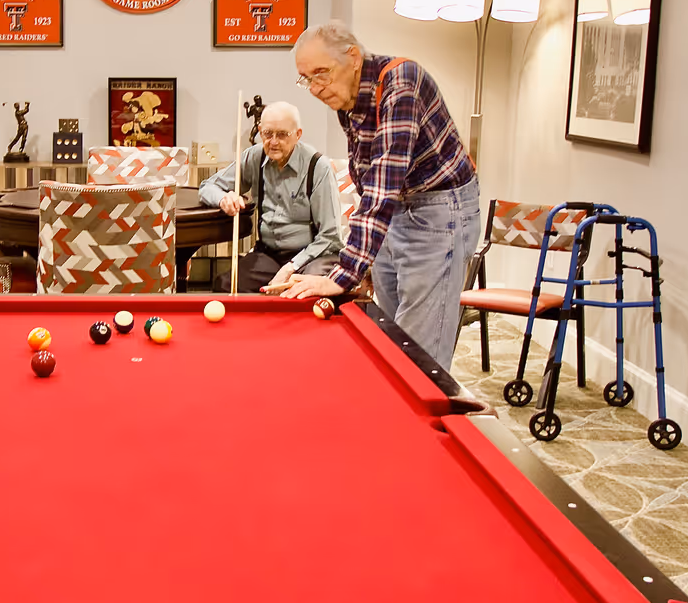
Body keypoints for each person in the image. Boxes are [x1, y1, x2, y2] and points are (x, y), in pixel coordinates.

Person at [275, 21, 481, 363]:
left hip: (440, 210)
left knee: (417, 351)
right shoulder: (348, 98)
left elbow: (385, 178)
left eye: (321, 73)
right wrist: (365, 257)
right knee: (391, 337)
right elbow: (366, 177)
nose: (314, 88)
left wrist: (344, 273)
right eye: (307, 78)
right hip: (397, 210)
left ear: (353, 57)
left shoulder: (401, 81)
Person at [197, 100, 344, 292]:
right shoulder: (254, 157)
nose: (273, 142)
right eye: (267, 134)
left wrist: (291, 267)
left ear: (298, 135)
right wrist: (224, 198)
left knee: (304, 291)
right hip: (269, 255)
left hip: (313, 256)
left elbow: (330, 237)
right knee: (226, 285)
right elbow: (207, 186)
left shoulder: (318, 167)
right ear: (259, 130)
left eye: (282, 135)